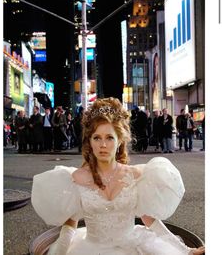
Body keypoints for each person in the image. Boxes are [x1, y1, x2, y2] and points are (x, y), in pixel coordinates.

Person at [32, 97, 204, 255]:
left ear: (120, 140)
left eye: (110, 138)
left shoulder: (135, 174)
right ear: (89, 142)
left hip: (134, 245)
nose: (103, 145)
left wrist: (186, 250)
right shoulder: (77, 178)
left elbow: (150, 219)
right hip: (90, 248)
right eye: (97, 138)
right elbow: (71, 223)